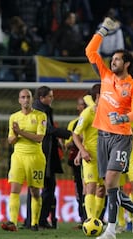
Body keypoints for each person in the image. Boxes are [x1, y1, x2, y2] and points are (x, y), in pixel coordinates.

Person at [85, 17, 133, 239]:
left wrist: (122, 116)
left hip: (121, 137)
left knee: (111, 181)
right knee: (110, 187)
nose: (113, 62)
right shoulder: (105, 76)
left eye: (117, 59)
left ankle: (110, 229)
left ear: (127, 64)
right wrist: (102, 30)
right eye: (112, 59)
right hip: (103, 136)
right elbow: (90, 51)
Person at [1, 89, 45, 232]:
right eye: (23, 97)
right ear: (19, 100)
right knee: (14, 189)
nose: (26, 100)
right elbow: (10, 140)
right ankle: (12, 222)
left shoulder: (40, 116)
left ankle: (34, 223)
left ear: (32, 99)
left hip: (35, 158)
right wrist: (16, 135)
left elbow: (39, 138)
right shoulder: (14, 117)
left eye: (28, 97)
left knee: (35, 191)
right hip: (18, 157)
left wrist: (20, 132)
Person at [32, 86, 72, 229]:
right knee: (44, 187)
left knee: (41, 187)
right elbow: (48, 130)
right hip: (42, 154)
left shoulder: (42, 109)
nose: (52, 98)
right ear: (42, 98)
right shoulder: (39, 111)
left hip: (46, 153)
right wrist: (68, 134)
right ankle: (38, 220)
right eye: (50, 96)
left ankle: (37, 220)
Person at [73, 84, 106, 221]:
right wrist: (82, 151)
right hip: (90, 157)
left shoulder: (108, 113)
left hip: (104, 157)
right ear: (98, 96)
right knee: (91, 187)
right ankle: (91, 220)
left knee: (102, 190)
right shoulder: (87, 114)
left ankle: (96, 220)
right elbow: (75, 134)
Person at [65, 96, 87, 227]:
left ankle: (96, 217)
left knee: (94, 189)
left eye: (85, 105)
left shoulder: (93, 117)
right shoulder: (73, 123)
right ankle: (82, 218)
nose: (83, 107)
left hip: (91, 158)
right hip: (77, 161)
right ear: (78, 107)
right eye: (81, 105)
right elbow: (68, 143)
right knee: (80, 189)